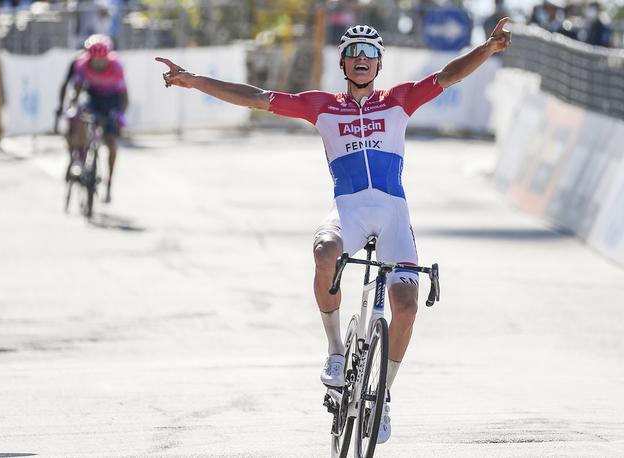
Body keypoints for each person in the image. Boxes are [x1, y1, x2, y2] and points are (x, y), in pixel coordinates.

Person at [156, 19, 511, 444]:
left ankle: (383, 397)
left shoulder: (399, 100)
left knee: (407, 306)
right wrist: (193, 81)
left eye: (370, 53)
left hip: (394, 215)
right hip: (349, 212)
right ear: (342, 62)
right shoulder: (322, 105)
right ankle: (336, 350)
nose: (362, 59)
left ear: (380, 63)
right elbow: (254, 97)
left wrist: (488, 47)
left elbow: (449, 75)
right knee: (325, 251)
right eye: (354, 52)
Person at [68, 34, 128, 203]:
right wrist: (73, 106)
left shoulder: (116, 66)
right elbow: (77, 89)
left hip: (112, 100)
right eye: (95, 61)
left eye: (102, 61)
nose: (98, 64)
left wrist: (120, 114)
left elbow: (124, 96)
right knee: (80, 118)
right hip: (93, 98)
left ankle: (109, 184)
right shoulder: (82, 64)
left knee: (112, 143)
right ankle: (79, 159)